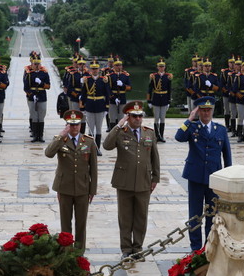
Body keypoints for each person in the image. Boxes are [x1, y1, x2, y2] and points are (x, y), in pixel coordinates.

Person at [103, 101, 160, 259]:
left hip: (143, 180)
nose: (138, 119)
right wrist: (118, 126)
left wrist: (155, 177)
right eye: (134, 116)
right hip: (124, 181)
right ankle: (126, 249)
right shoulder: (121, 132)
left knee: (141, 217)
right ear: (127, 117)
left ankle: (138, 248)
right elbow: (106, 146)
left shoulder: (149, 133)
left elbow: (155, 156)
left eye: (140, 116)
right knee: (125, 217)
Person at [175, 96, 232, 251]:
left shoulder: (220, 130)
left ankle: (209, 247)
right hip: (195, 177)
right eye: (203, 110)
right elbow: (179, 137)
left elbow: (227, 155)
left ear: (212, 111)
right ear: (198, 111)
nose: (206, 113)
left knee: (212, 215)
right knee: (195, 215)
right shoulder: (192, 128)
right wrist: (189, 119)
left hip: (214, 179)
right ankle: (195, 248)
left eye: (208, 110)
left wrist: (227, 178)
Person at [44, 110, 98, 253]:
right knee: (65, 224)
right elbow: (48, 153)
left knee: (81, 224)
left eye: (77, 125)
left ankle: (80, 252)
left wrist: (92, 190)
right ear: (67, 125)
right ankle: (66, 251)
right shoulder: (60, 140)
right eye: (71, 125)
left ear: (81, 125)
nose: (75, 128)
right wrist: (61, 136)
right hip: (65, 188)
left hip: (82, 188)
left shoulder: (88, 141)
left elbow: (93, 168)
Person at [81, 59, 110, 154]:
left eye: (96, 69)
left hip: (100, 106)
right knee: (90, 129)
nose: (94, 70)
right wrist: (82, 107)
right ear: (90, 69)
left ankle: (97, 149)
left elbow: (107, 94)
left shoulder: (103, 80)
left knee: (98, 128)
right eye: (93, 69)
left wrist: (106, 107)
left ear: (99, 70)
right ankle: (91, 149)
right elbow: (84, 94)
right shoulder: (87, 80)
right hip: (89, 106)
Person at [24, 52, 51, 142]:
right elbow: (26, 88)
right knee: (34, 116)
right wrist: (31, 95)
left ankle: (41, 136)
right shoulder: (29, 74)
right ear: (32, 64)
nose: (36, 65)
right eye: (35, 64)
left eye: (38, 64)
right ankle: (35, 135)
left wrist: (41, 83)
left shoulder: (44, 73)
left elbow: (48, 86)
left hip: (42, 96)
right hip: (32, 97)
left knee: (41, 116)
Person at [147, 58, 172, 142]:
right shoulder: (154, 76)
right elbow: (149, 89)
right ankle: (157, 135)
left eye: (163, 67)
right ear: (157, 67)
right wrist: (149, 100)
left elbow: (169, 89)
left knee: (162, 118)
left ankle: (161, 135)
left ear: (164, 67)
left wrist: (169, 101)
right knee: (156, 118)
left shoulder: (167, 76)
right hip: (156, 98)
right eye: (160, 67)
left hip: (164, 98)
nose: (161, 68)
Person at [107, 57, 131, 132]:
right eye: (116, 65)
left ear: (122, 66)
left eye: (119, 65)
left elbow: (129, 88)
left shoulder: (125, 75)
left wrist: (123, 85)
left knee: (121, 116)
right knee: (112, 117)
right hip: (113, 98)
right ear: (114, 66)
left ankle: (120, 133)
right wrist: (114, 98)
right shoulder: (110, 76)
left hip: (122, 97)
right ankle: (113, 132)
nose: (118, 67)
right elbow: (108, 89)